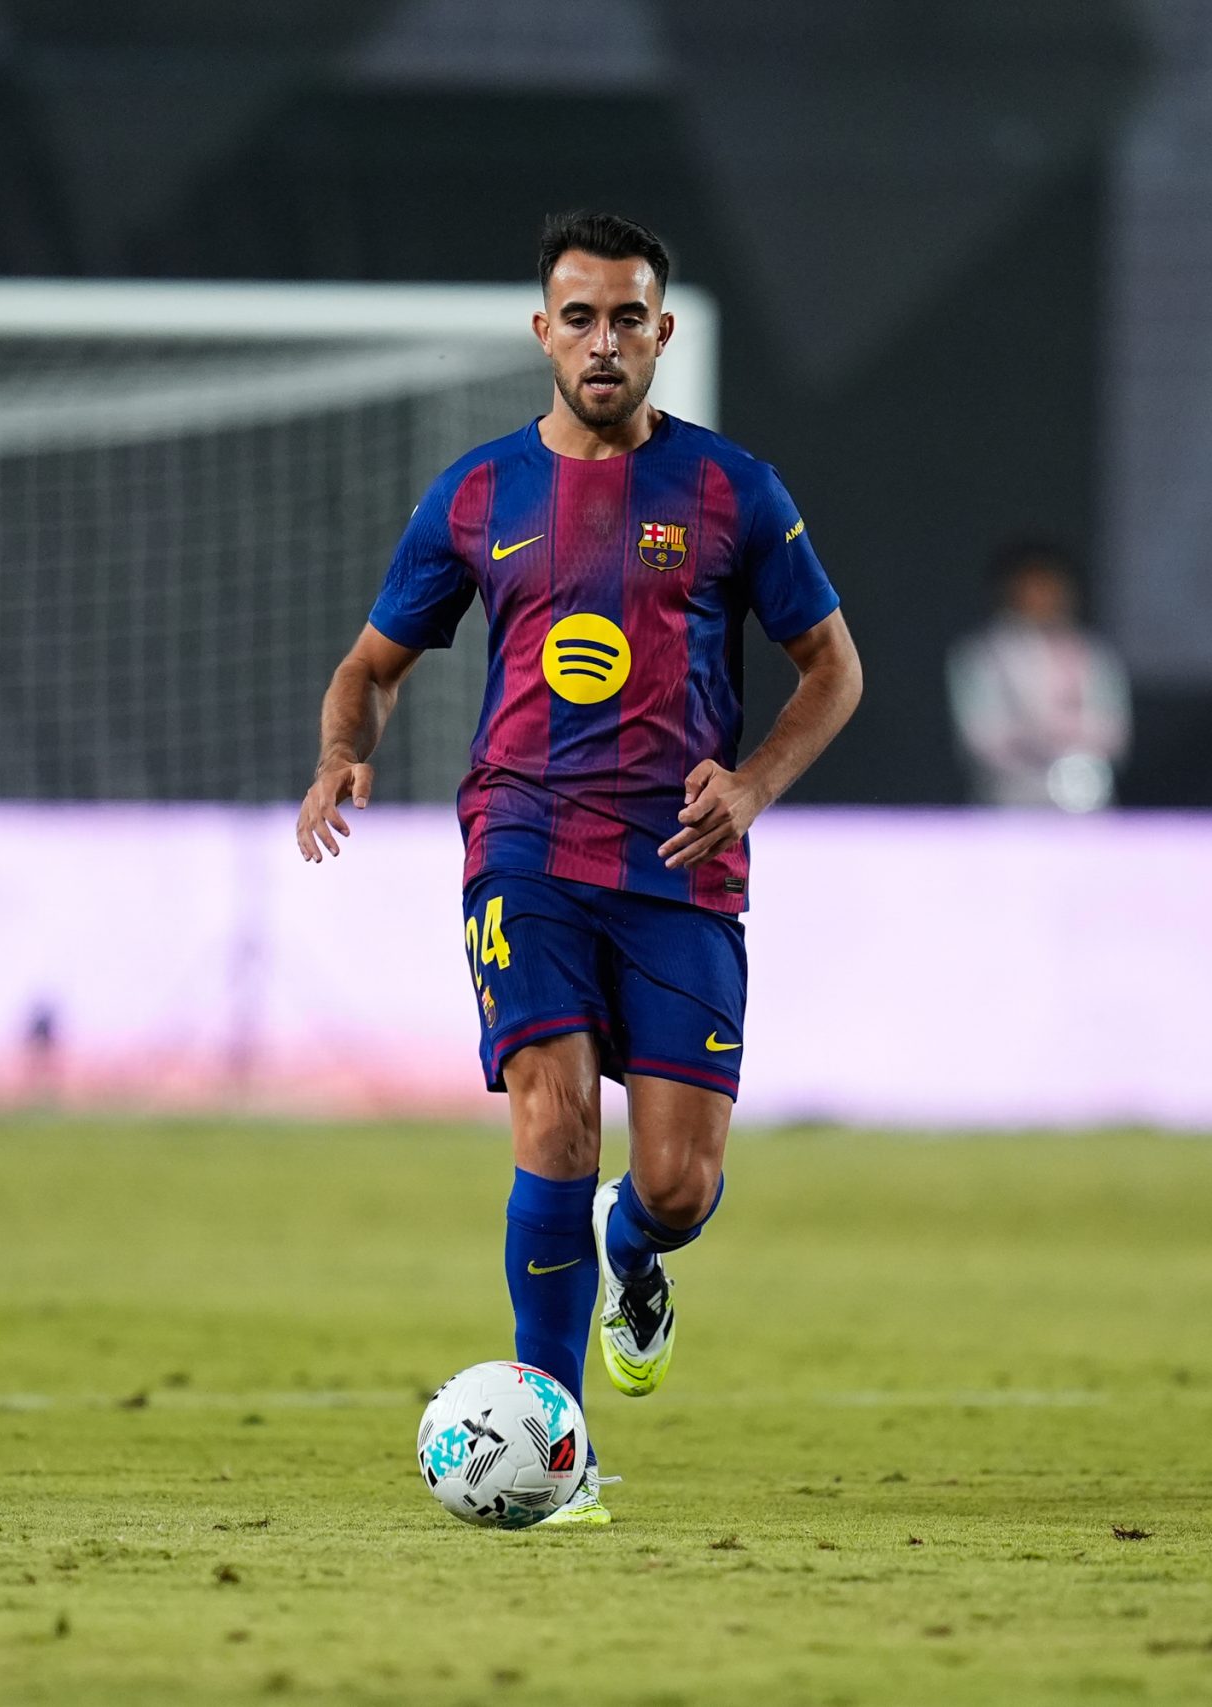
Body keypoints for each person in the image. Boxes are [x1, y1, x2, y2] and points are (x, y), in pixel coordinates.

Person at [295, 211, 862, 1526]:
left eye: (627, 318)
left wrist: (756, 782)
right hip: (525, 844)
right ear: (541, 330)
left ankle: (631, 1244)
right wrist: (341, 752)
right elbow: (371, 667)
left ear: (662, 333)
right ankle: (557, 1446)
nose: (604, 341)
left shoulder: (733, 491)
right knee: (551, 1117)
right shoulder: (479, 495)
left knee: (678, 1181)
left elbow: (833, 665)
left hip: (680, 861)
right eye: (579, 316)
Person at [946, 542, 1131, 810]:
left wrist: (1071, 750)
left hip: (1084, 799)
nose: (1042, 595)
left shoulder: (1096, 655)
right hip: (1007, 800)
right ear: (1011, 590)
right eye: (1032, 586)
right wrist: (1037, 746)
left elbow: (1114, 733)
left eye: (1050, 585)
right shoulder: (981, 656)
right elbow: (980, 737)